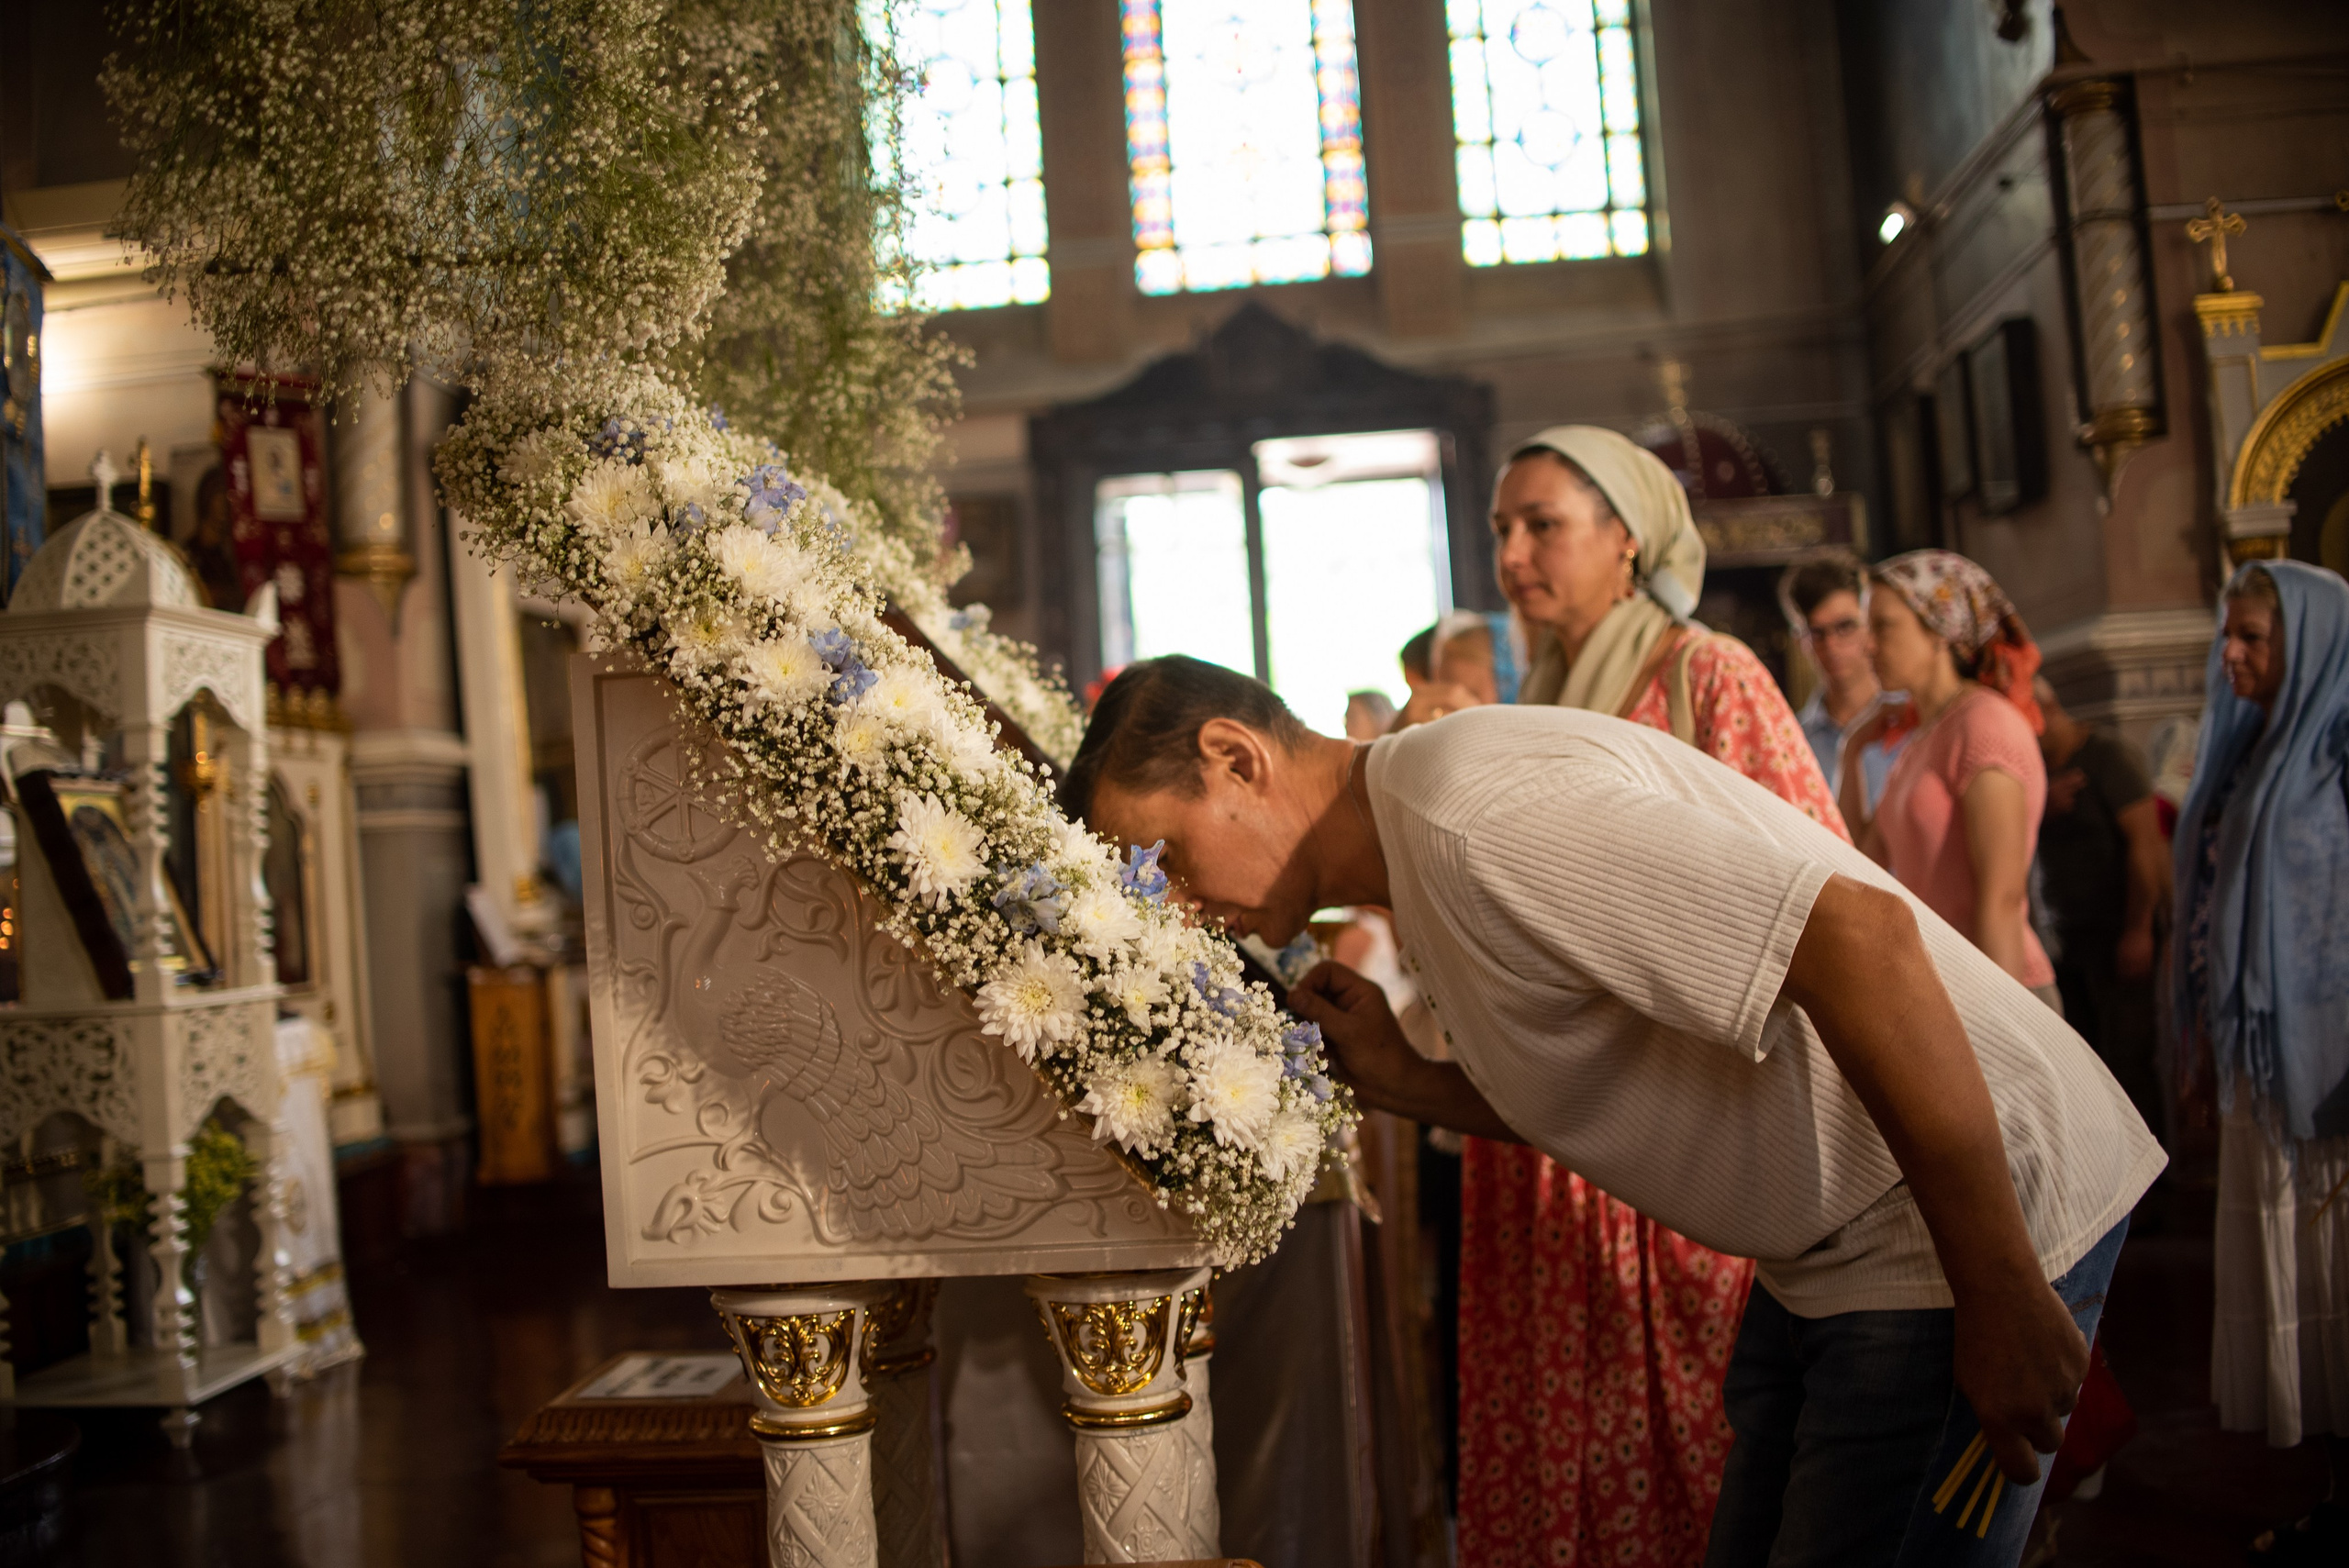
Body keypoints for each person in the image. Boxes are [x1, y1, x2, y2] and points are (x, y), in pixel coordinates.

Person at [1061, 655, 2162, 1567]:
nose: (1183, 911)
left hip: (1946, 1224)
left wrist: (2002, 1284)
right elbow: (1602, 1083)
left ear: (1233, 756)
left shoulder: (1468, 816)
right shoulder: (1416, 842)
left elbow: (1859, 942)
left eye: (1165, 861)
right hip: (1838, 1248)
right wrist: (1404, 1080)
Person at [1438, 427, 1842, 1564]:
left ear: (1626, 539)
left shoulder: (1704, 672)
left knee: (1694, 1442)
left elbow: (1825, 889)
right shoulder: (1541, 699)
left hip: (1670, 1126)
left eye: (1542, 525)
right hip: (1552, 1124)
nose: (1515, 554)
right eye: (1501, 530)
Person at [2171, 562, 2349, 1560]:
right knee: (2303, 1292)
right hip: (2261, 1072)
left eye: (2252, 638)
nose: (2229, 654)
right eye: (2227, 635)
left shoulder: (2341, 744)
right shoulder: (2248, 749)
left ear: (2312, 642)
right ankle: (2334, 1487)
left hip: (2330, 1073)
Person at [1843, 550, 2057, 1002]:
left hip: (2004, 988)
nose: (1869, 645)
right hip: (1950, 987)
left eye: (1883, 626)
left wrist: (2002, 1021)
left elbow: (2001, 898)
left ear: (1938, 629)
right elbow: (1857, 864)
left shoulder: (1984, 724)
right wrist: (1852, 752)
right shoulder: (1924, 736)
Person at [2032, 674, 2170, 1140]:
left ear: (2047, 711)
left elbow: (2146, 848)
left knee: (2129, 1064)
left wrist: (2139, 930)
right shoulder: (2038, 771)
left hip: (2116, 935)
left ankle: (2154, 1197)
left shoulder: (2109, 756)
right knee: (2087, 1067)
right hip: (2067, 941)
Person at [1778, 550, 1905, 814]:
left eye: (1845, 626)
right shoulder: (1790, 743)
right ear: (1800, 641)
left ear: (1869, 624)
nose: (1832, 646)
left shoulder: (1914, 720)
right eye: (1817, 633)